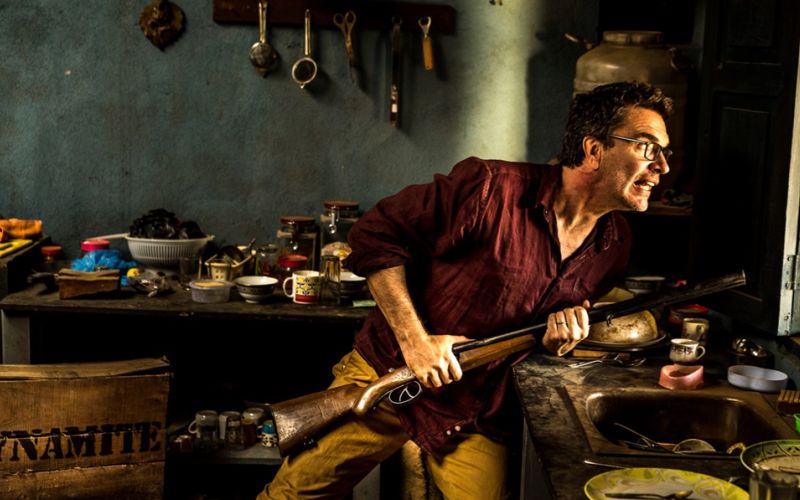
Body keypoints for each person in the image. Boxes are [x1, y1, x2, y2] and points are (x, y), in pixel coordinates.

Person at [259, 81, 673, 499]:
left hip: (476, 413)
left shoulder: (614, 244)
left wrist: (557, 343)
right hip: (388, 375)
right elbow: (376, 236)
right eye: (647, 147)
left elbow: (538, 335)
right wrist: (415, 343)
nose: (662, 167)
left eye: (664, 152)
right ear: (594, 150)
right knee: (292, 496)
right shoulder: (490, 187)